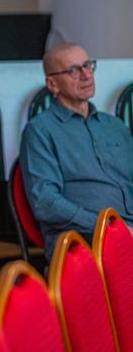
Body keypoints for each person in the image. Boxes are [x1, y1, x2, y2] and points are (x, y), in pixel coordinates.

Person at [20, 43, 133, 258]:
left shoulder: (113, 126)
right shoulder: (40, 131)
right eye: (73, 70)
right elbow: (46, 203)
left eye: (88, 65)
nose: (86, 75)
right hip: (82, 237)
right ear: (52, 84)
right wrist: (109, 229)